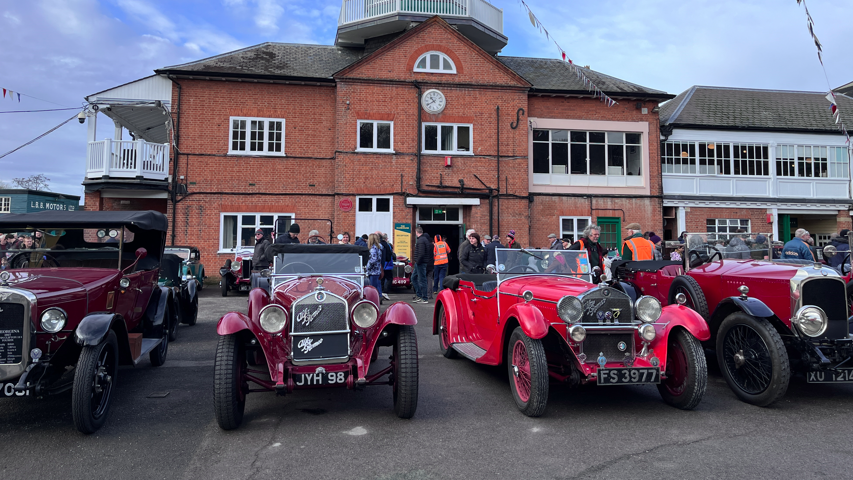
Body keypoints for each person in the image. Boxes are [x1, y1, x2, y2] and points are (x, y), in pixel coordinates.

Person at [411, 227, 430, 304]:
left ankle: (424, 297)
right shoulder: (424, 240)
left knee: (422, 280)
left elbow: (421, 253)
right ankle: (419, 295)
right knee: (413, 278)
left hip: (420, 263)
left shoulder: (421, 240)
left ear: (416, 232)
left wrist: (417, 261)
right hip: (420, 263)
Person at [366, 234, 384, 301]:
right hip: (378, 269)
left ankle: (374, 299)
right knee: (378, 285)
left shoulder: (373, 249)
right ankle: (380, 296)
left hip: (373, 271)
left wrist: (367, 267)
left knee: (373, 287)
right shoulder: (379, 248)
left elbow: (373, 260)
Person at [381, 233, 394, 300]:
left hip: (382, 265)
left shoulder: (379, 245)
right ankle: (385, 292)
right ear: (386, 239)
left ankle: (381, 291)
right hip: (388, 265)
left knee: (382, 279)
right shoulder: (388, 245)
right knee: (389, 278)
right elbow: (390, 255)